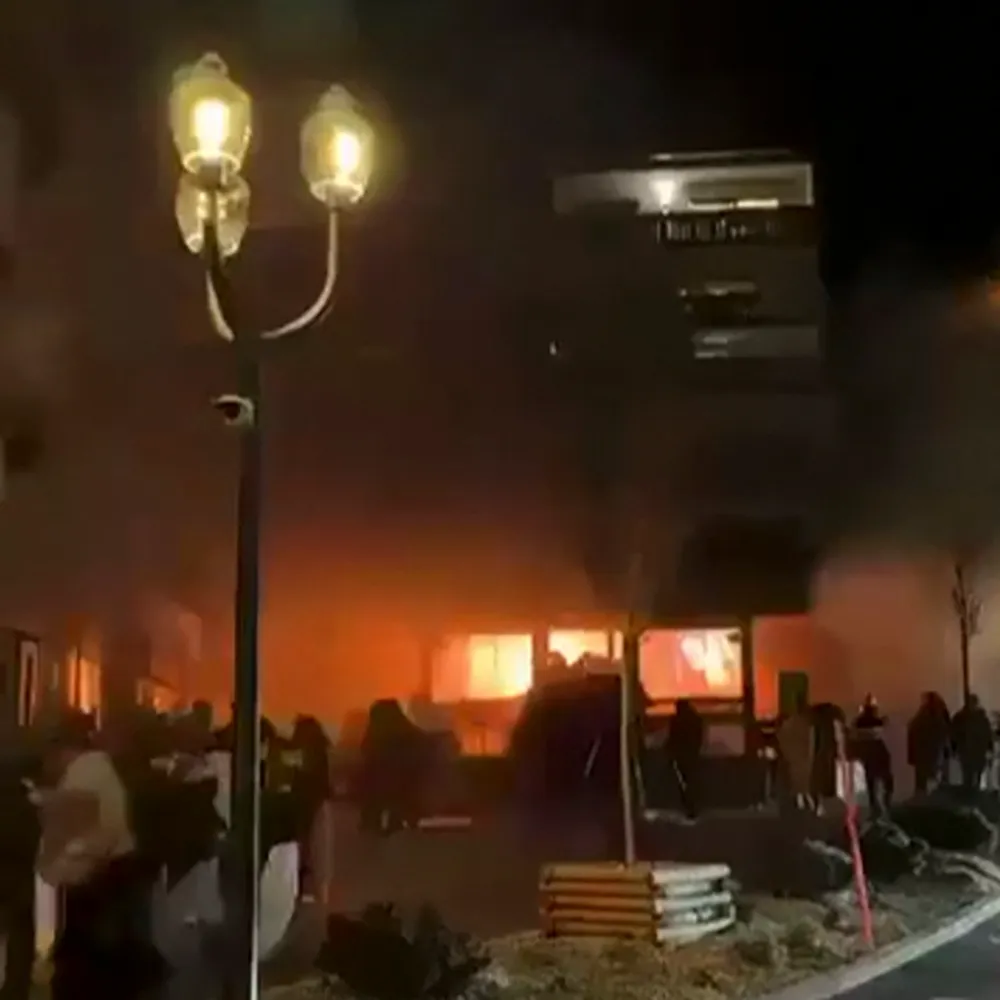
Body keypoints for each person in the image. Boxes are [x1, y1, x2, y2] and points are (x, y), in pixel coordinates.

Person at [38, 711, 163, 1000]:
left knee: (89, 978)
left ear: (60, 751)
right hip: (116, 883)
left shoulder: (81, 776)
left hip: (101, 890)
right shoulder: (98, 768)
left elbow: (71, 849)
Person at [853, 694, 893, 815]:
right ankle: (884, 806)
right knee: (885, 780)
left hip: (864, 753)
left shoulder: (858, 721)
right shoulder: (878, 721)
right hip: (877, 751)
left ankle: (873, 807)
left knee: (870, 781)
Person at [667, 699, 704, 821]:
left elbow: (672, 737)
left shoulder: (676, 720)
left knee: (683, 781)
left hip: (681, 754)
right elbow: (699, 735)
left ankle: (688, 806)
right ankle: (692, 806)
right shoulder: (695, 719)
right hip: (692, 753)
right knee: (692, 781)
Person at [907, 692, 951, 794]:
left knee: (922, 783)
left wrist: (912, 756)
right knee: (938, 782)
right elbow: (946, 735)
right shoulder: (941, 716)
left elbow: (912, 734)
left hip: (923, 755)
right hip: (936, 755)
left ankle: (922, 801)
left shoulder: (920, 718)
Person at [777, 694, 815, 813]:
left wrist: (787, 754)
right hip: (804, 757)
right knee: (804, 781)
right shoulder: (807, 724)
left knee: (798, 781)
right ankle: (806, 802)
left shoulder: (790, 724)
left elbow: (782, 739)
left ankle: (801, 802)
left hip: (795, 758)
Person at [952, 694, 994, 796]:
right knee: (970, 776)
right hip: (971, 751)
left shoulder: (962, 717)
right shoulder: (978, 718)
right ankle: (971, 795)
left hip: (973, 751)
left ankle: (971, 795)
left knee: (972, 776)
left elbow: (987, 734)